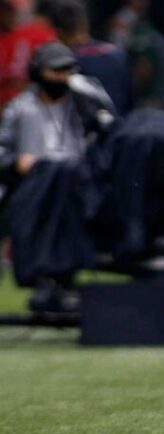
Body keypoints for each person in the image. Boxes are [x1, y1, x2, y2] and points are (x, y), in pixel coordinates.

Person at [0, 42, 114, 310]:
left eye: (68, 70)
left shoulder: (81, 105)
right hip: (34, 185)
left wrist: (87, 90)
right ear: (39, 72)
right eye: (56, 71)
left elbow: (109, 125)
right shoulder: (20, 108)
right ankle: (45, 279)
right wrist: (16, 162)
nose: (62, 77)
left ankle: (64, 278)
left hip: (74, 182)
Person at [51, 0, 133, 116]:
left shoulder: (64, 65)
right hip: (119, 128)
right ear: (85, 24)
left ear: (59, 33)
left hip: (83, 132)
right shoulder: (117, 54)